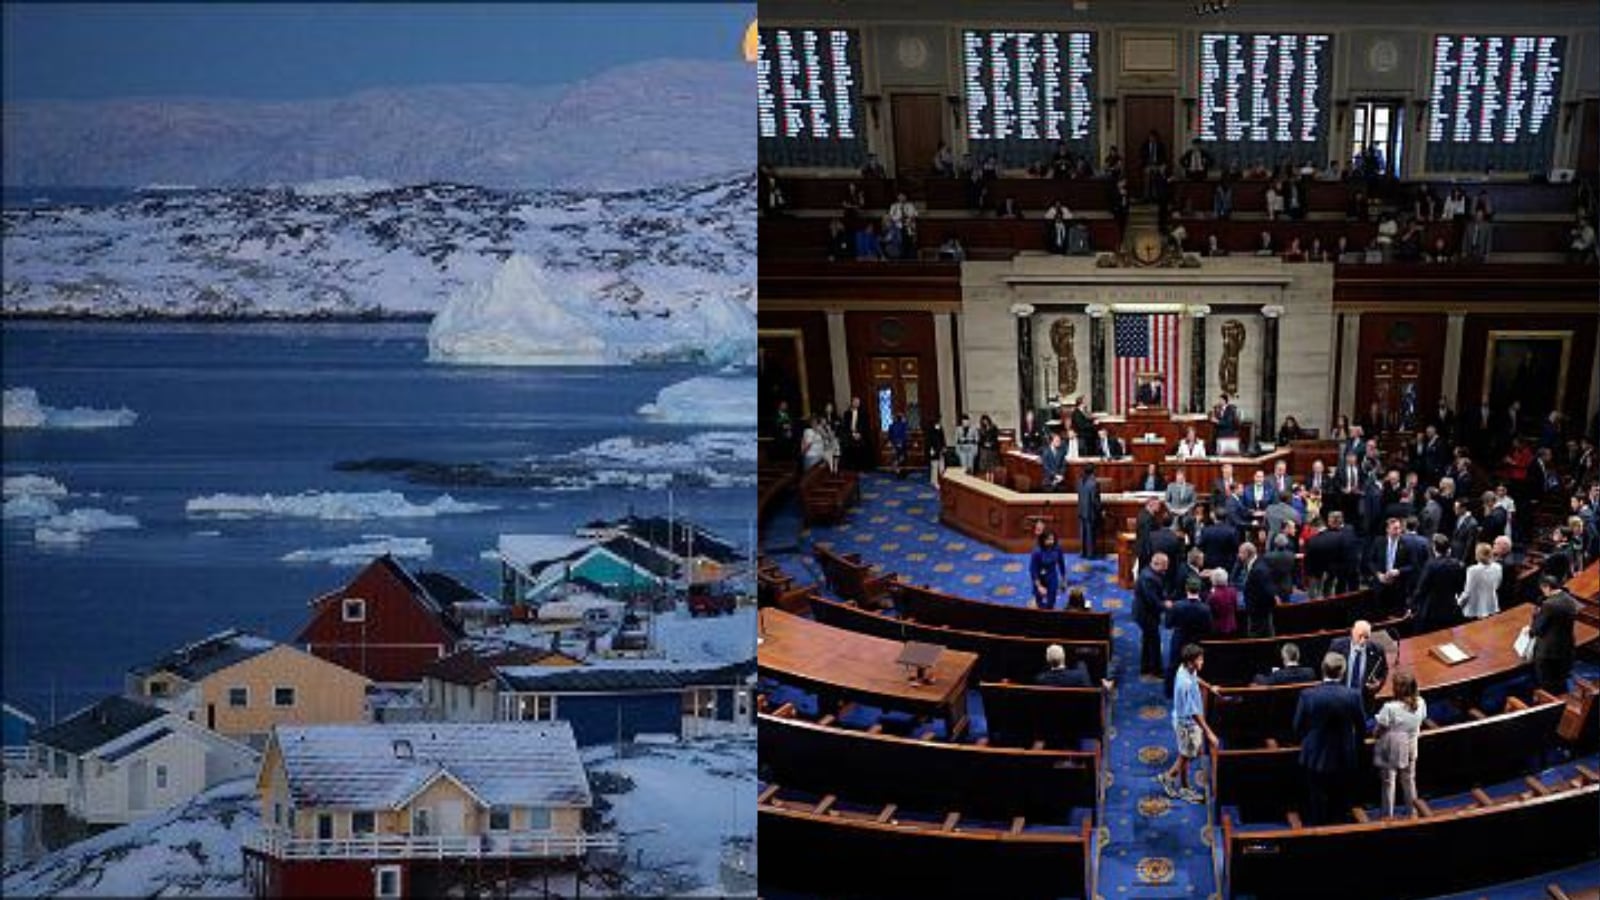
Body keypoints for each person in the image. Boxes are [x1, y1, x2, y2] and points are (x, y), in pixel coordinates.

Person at [1293, 652, 1367, 826]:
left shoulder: (1308, 695)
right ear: (1343, 671)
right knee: (1340, 804)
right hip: (1344, 756)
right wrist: (1354, 750)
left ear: (1322, 669)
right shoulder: (1354, 695)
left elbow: (1297, 726)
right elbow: (1361, 728)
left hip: (1314, 757)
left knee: (1316, 802)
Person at [1157, 644, 1216, 805]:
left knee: (1186, 754)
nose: (1202, 662)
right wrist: (1209, 732)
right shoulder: (1186, 684)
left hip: (1182, 720)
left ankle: (1181, 785)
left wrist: (1209, 687)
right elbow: (1194, 712)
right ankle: (1170, 778)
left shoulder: (1185, 669)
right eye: (1200, 659)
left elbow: (1196, 677)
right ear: (1190, 662)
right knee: (1187, 755)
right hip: (1187, 724)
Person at [1373, 670, 1427, 820]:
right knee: (1409, 780)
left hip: (1392, 749)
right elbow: (1422, 719)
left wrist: (1375, 734)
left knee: (1388, 783)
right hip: (1411, 746)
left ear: (1396, 689)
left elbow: (1378, 731)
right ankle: (1412, 813)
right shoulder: (1421, 702)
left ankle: (1387, 816)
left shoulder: (1389, 708)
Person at [1531, 574, 1580, 694]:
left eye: (1543, 589)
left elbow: (1537, 629)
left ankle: (1549, 700)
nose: (1543, 593)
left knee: (1547, 683)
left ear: (1547, 587)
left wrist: (1536, 615)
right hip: (1566, 647)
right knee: (1561, 680)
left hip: (1549, 651)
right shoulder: (1570, 599)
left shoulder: (1548, 604)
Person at [1164, 578, 1213, 697]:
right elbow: (1209, 628)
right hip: (1196, 641)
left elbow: (1168, 624)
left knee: (1174, 665)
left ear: (1186, 589)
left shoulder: (1177, 606)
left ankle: (1170, 691)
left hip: (1179, 639)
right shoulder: (1205, 608)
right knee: (1196, 665)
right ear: (1199, 590)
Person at [1410, 533, 1465, 630]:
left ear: (1434, 548)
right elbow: (1460, 587)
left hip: (1432, 609)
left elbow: (1421, 588)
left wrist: (1412, 605)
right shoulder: (1457, 564)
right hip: (1450, 607)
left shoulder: (1431, 565)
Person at [1328, 620, 1388, 703]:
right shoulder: (1337, 646)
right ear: (1352, 632)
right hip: (1339, 699)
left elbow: (1384, 671)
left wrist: (1378, 684)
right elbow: (1328, 669)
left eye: (1366, 637)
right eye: (1360, 636)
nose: (1362, 641)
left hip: (1363, 702)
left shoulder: (1377, 650)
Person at [1134, 551, 1169, 677]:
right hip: (1146, 614)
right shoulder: (1149, 578)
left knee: (1147, 639)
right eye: (1165, 565)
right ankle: (1156, 670)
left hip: (1146, 612)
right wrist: (1165, 605)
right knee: (1154, 641)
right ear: (1157, 563)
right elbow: (1152, 600)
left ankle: (1145, 666)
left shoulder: (1150, 572)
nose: (1167, 568)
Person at [1456, 542, 1501, 620]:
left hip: (1475, 610)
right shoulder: (1498, 567)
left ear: (1477, 555)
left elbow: (1467, 593)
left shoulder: (1472, 570)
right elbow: (1497, 586)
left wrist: (1458, 602)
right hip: (1492, 606)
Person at [1031, 530, 1069, 610]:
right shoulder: (1037, 552)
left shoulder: (1057, 549)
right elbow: (1033, 570)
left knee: (1051, 600)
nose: (1051, 542)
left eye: (1052, 539)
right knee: (1039, 602)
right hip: (1039, 576)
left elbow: (1061, 564)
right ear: (1043, 540)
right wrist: (1039, 586)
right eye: (1048, 539)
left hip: (1052, 575)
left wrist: (1063, 579)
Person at [1205, 568, 1240, 637]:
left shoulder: (1212, 596)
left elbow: (1209, 612)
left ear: (1213, 580)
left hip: (1218, 629)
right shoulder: (1233, 592)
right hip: (1232, 627)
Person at [1078, 464, 1103, 558]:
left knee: (1083, 533)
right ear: (1093, 471)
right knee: (1090, 534)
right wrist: (1100, 510)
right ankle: (1090, 554)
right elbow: (1095, 500)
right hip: (1090, 511)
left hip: (1082, 511)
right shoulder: (1094, 483)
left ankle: (1083, 552)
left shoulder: (1080, 481)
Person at [976, 415, 1002, 480]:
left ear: (988, 420)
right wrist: (984, 444)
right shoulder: (981, 429)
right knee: (986, 466)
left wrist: (991, 444)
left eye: (986, 420)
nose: (985, 422)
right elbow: (980, 440)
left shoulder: (994, 427)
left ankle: (992, 479)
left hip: (992, 448)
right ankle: (987, 479)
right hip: (984, 449)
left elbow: (995, 438)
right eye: (983, 421)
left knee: (992, 465)